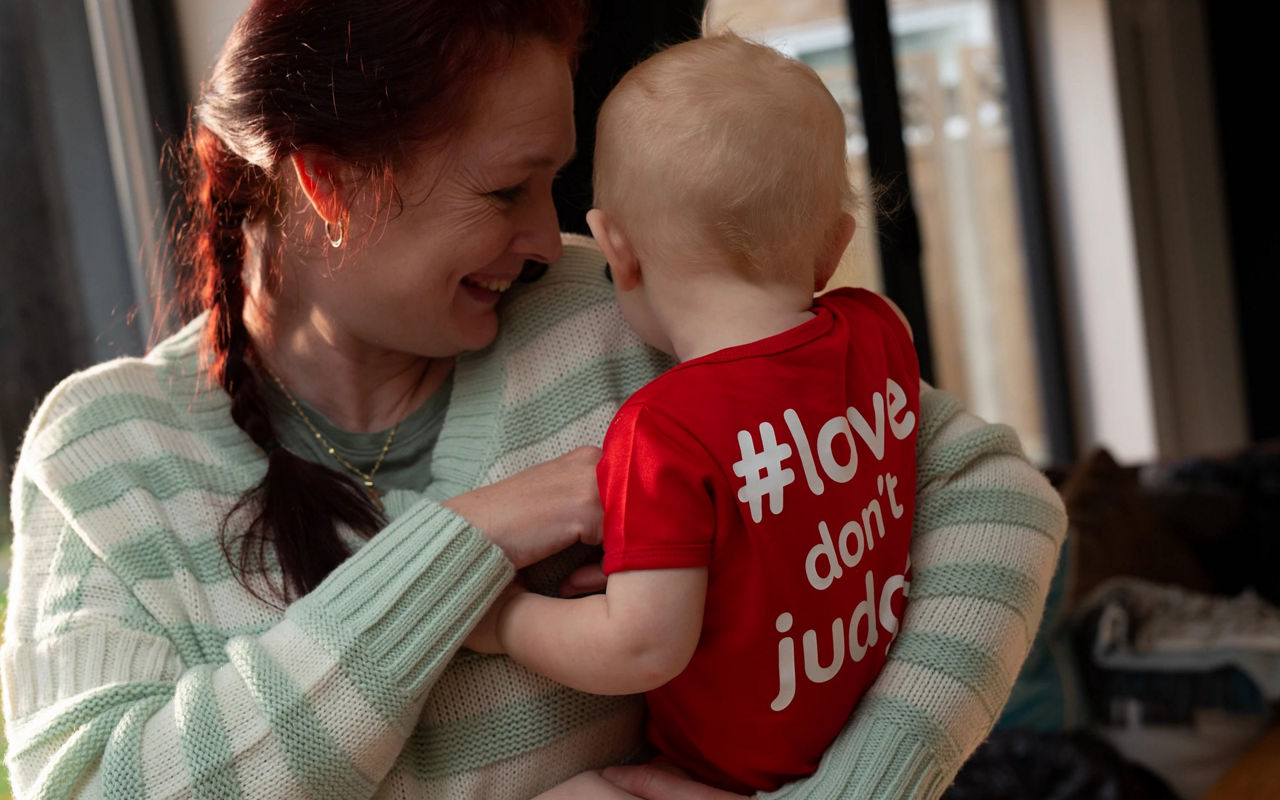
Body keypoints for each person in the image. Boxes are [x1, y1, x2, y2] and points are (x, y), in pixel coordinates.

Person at [0, 1, 1067, 798]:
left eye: (556, 183)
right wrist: (466, 540)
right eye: (505, 189)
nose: (542, 236)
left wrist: (860, 784)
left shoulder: (624, 313)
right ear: (328, 185)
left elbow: (995, 501)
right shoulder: (103, 453)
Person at [466, 35, 920, 794]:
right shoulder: (879, 333)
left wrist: (504, 622)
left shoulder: (662, 433)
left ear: (615, 247)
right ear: (836, 247)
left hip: (718, 775)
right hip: (848, 729)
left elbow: (640, 651)